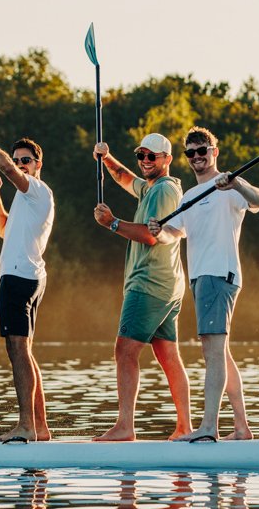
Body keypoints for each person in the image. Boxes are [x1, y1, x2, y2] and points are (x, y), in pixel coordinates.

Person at [148, 126, 259, 442]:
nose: (197, 157)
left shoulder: (229, 186)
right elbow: (173, 233)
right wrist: (158, 230)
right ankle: (241, 429)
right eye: (191, 152)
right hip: (200, 279)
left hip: (219, 275)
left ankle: (208, 428)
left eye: (202, 151)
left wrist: (236, 182)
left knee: (212, 351)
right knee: (219, 352)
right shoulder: (189, 197)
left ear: (214, 152)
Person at [91, 132, 192, 441]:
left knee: (124, 350)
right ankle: (185, 427)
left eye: (152, 156)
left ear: (167, 160)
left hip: (149, 282)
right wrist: (106, 158)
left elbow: (150, 236)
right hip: (169, 285)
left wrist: (112, 223)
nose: (145, 161)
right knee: (167, 354)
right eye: (141, 155)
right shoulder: (153, 187)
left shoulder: (162, 190)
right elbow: (125, 178)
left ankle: (125, 427)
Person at [0, 126, 56, 442]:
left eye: (26, 161)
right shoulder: (24, 198)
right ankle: (40, 426)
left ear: (38, 164)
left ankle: (26, 426)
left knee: (17, 348)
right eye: (18, 160)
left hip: (20, 277)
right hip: (24, 275)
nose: (20, 165)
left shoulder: (37, 190)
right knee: (23, 351)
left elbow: (5, 166)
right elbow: (3, 229)